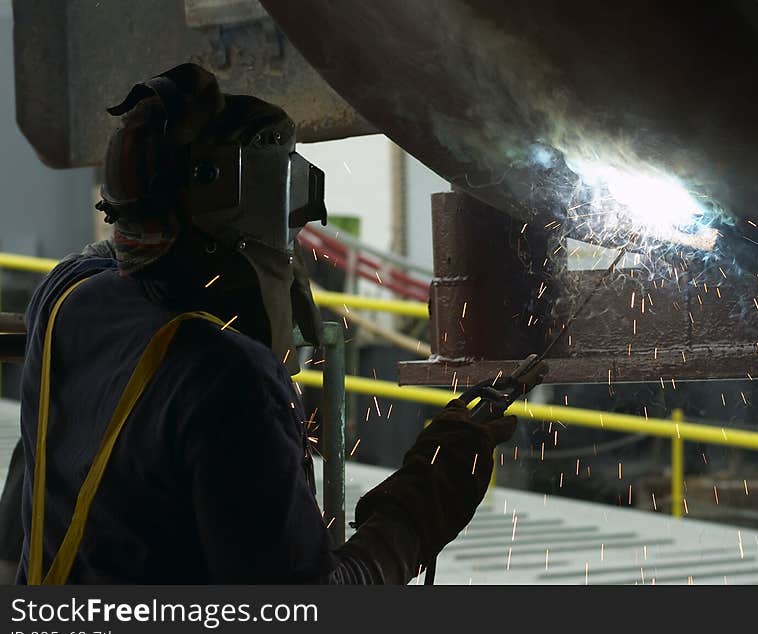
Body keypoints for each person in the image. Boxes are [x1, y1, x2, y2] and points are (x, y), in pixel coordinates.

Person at [8, 64, 515, 584]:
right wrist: (420, 504)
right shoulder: (228, 377)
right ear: (232, 199)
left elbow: (127, 255)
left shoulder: (65, 293)